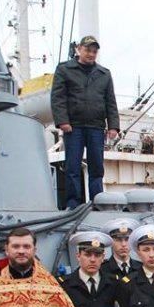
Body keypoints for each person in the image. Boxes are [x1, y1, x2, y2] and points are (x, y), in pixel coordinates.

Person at [50, 35, 120, 209]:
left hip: (96, 126)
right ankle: (73, 204)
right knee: (72, 166)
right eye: (88, 50)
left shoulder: (104, 74)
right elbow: (58, 98)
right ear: (79, 49)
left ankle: (97, 202)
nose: (91, 54)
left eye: (94, 51)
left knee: (97, 167)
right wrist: (62, 121)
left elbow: (110, 101)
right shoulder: (64, 70)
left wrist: (113, 126)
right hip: (73, 127)